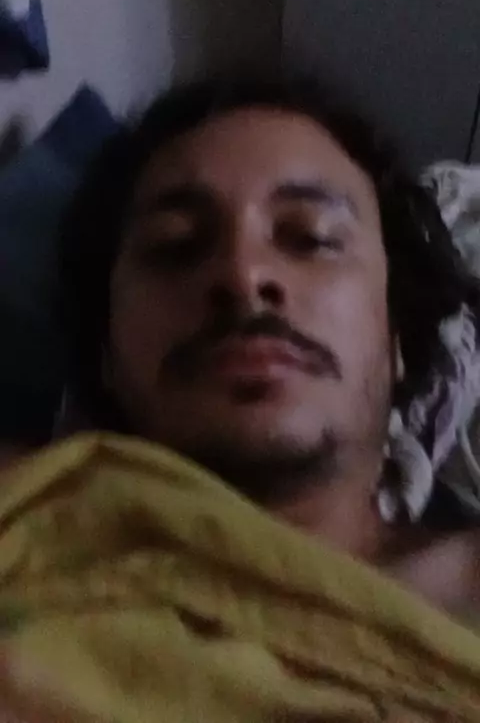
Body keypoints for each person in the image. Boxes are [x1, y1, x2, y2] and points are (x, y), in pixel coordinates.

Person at [1, 76, 480, 721]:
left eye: (311, 237)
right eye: (175, 247)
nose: (243, 274)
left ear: (395, 339)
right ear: (106, 354)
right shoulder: (31, 517)